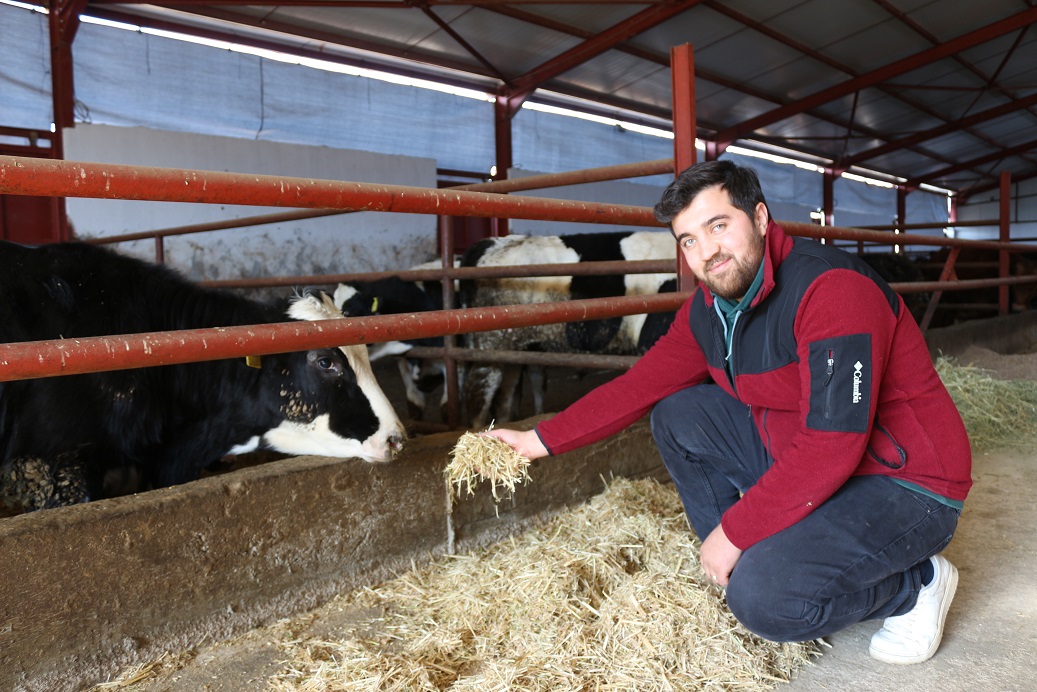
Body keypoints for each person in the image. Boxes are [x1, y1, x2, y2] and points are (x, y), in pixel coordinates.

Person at [486, 160, 972, 664]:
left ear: (760, 218)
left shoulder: (831, 291)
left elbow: (834, 445)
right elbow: (639, 386)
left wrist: (736, 531)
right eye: (689, 240)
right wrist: (536, 440)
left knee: (766, 600)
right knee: (678, 414)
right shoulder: (712, 309)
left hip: (905, 479)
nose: (707, 252)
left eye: (719, 226)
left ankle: (917, 586)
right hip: (811, 459)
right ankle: (743, 560)